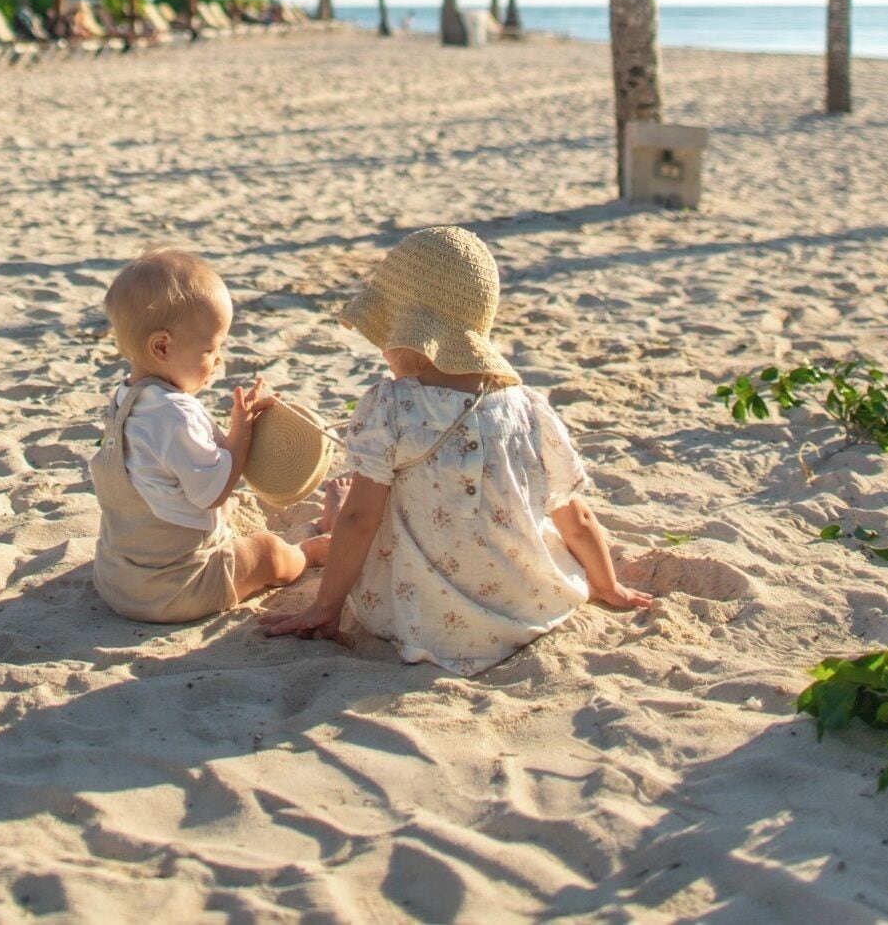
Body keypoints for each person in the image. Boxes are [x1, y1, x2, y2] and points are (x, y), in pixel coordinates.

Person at [265, 226, 651, 674]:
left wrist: (326, 608)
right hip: (527, 607)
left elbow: (360, 519)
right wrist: (608, 586)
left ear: (411, 336)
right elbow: (576, 517)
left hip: (418, 619)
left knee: (350, 509)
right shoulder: (527, 410)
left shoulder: (389, 407)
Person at [92, 249, 329, 623]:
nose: (218, 360)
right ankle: (310, 553)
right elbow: (212, 491)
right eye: (210, 348)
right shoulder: (176, 414)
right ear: (162, 347)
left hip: (118, 577)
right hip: (177, 588)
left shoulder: (126, 398)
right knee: (267, 552)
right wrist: (242, 431)